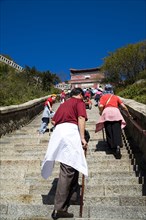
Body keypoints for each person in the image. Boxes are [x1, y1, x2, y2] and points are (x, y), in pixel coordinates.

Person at [41, 88, 88, 219]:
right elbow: (81, 117)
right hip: (70, 133)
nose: (83, 99)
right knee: (68, 169)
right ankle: (60, 208)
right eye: (83, 97)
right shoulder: (79, 102)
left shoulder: (63, 104)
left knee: (72, 165)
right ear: (80, 95)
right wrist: (82, 137)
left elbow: (54, 121)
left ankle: (73, 197)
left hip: (58, 133)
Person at [95, 85, 132, 159]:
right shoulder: (116, 97)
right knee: (117, 130)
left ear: (105, 90)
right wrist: (128, 114)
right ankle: (118, 145)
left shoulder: (103, 97)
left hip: (107, 113)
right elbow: (123, 106)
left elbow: (101, 106)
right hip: (116, 113)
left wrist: (101, 112)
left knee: (108, 130)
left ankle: (111, 146)